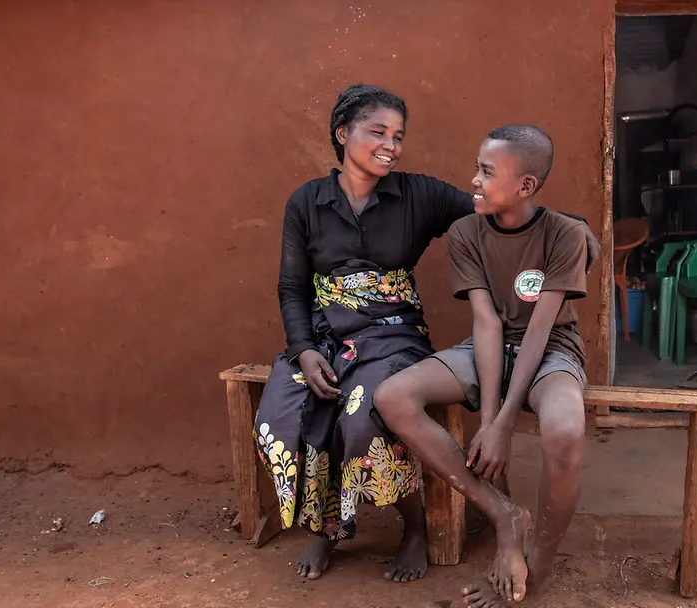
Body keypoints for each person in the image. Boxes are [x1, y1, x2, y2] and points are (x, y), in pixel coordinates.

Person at [254, 85, 598, 584]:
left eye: (398, 135)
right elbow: (292, 285)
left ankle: (415, 526)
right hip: (326, 334)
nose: (391, 145)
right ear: (342, 133)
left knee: (363, 409)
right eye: (378, 132)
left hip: (391, 334)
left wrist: (578, 228)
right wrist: (304, 349)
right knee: (285, 408)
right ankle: (327, 526)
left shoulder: (419, 194)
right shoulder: (307, 202)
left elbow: (499, 205)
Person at [374, 124, 593, 606]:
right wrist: (489, 419)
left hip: (551, 348)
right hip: (486, 348)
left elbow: (539, 329)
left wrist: (506, 423)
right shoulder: (465, 232)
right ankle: (503, 514)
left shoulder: (565, 234)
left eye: (487, 171)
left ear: (526, 186)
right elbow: (488, 324)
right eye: (477, 167)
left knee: (564, 429)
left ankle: (538, 572)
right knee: (393, 395)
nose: (474, 179)